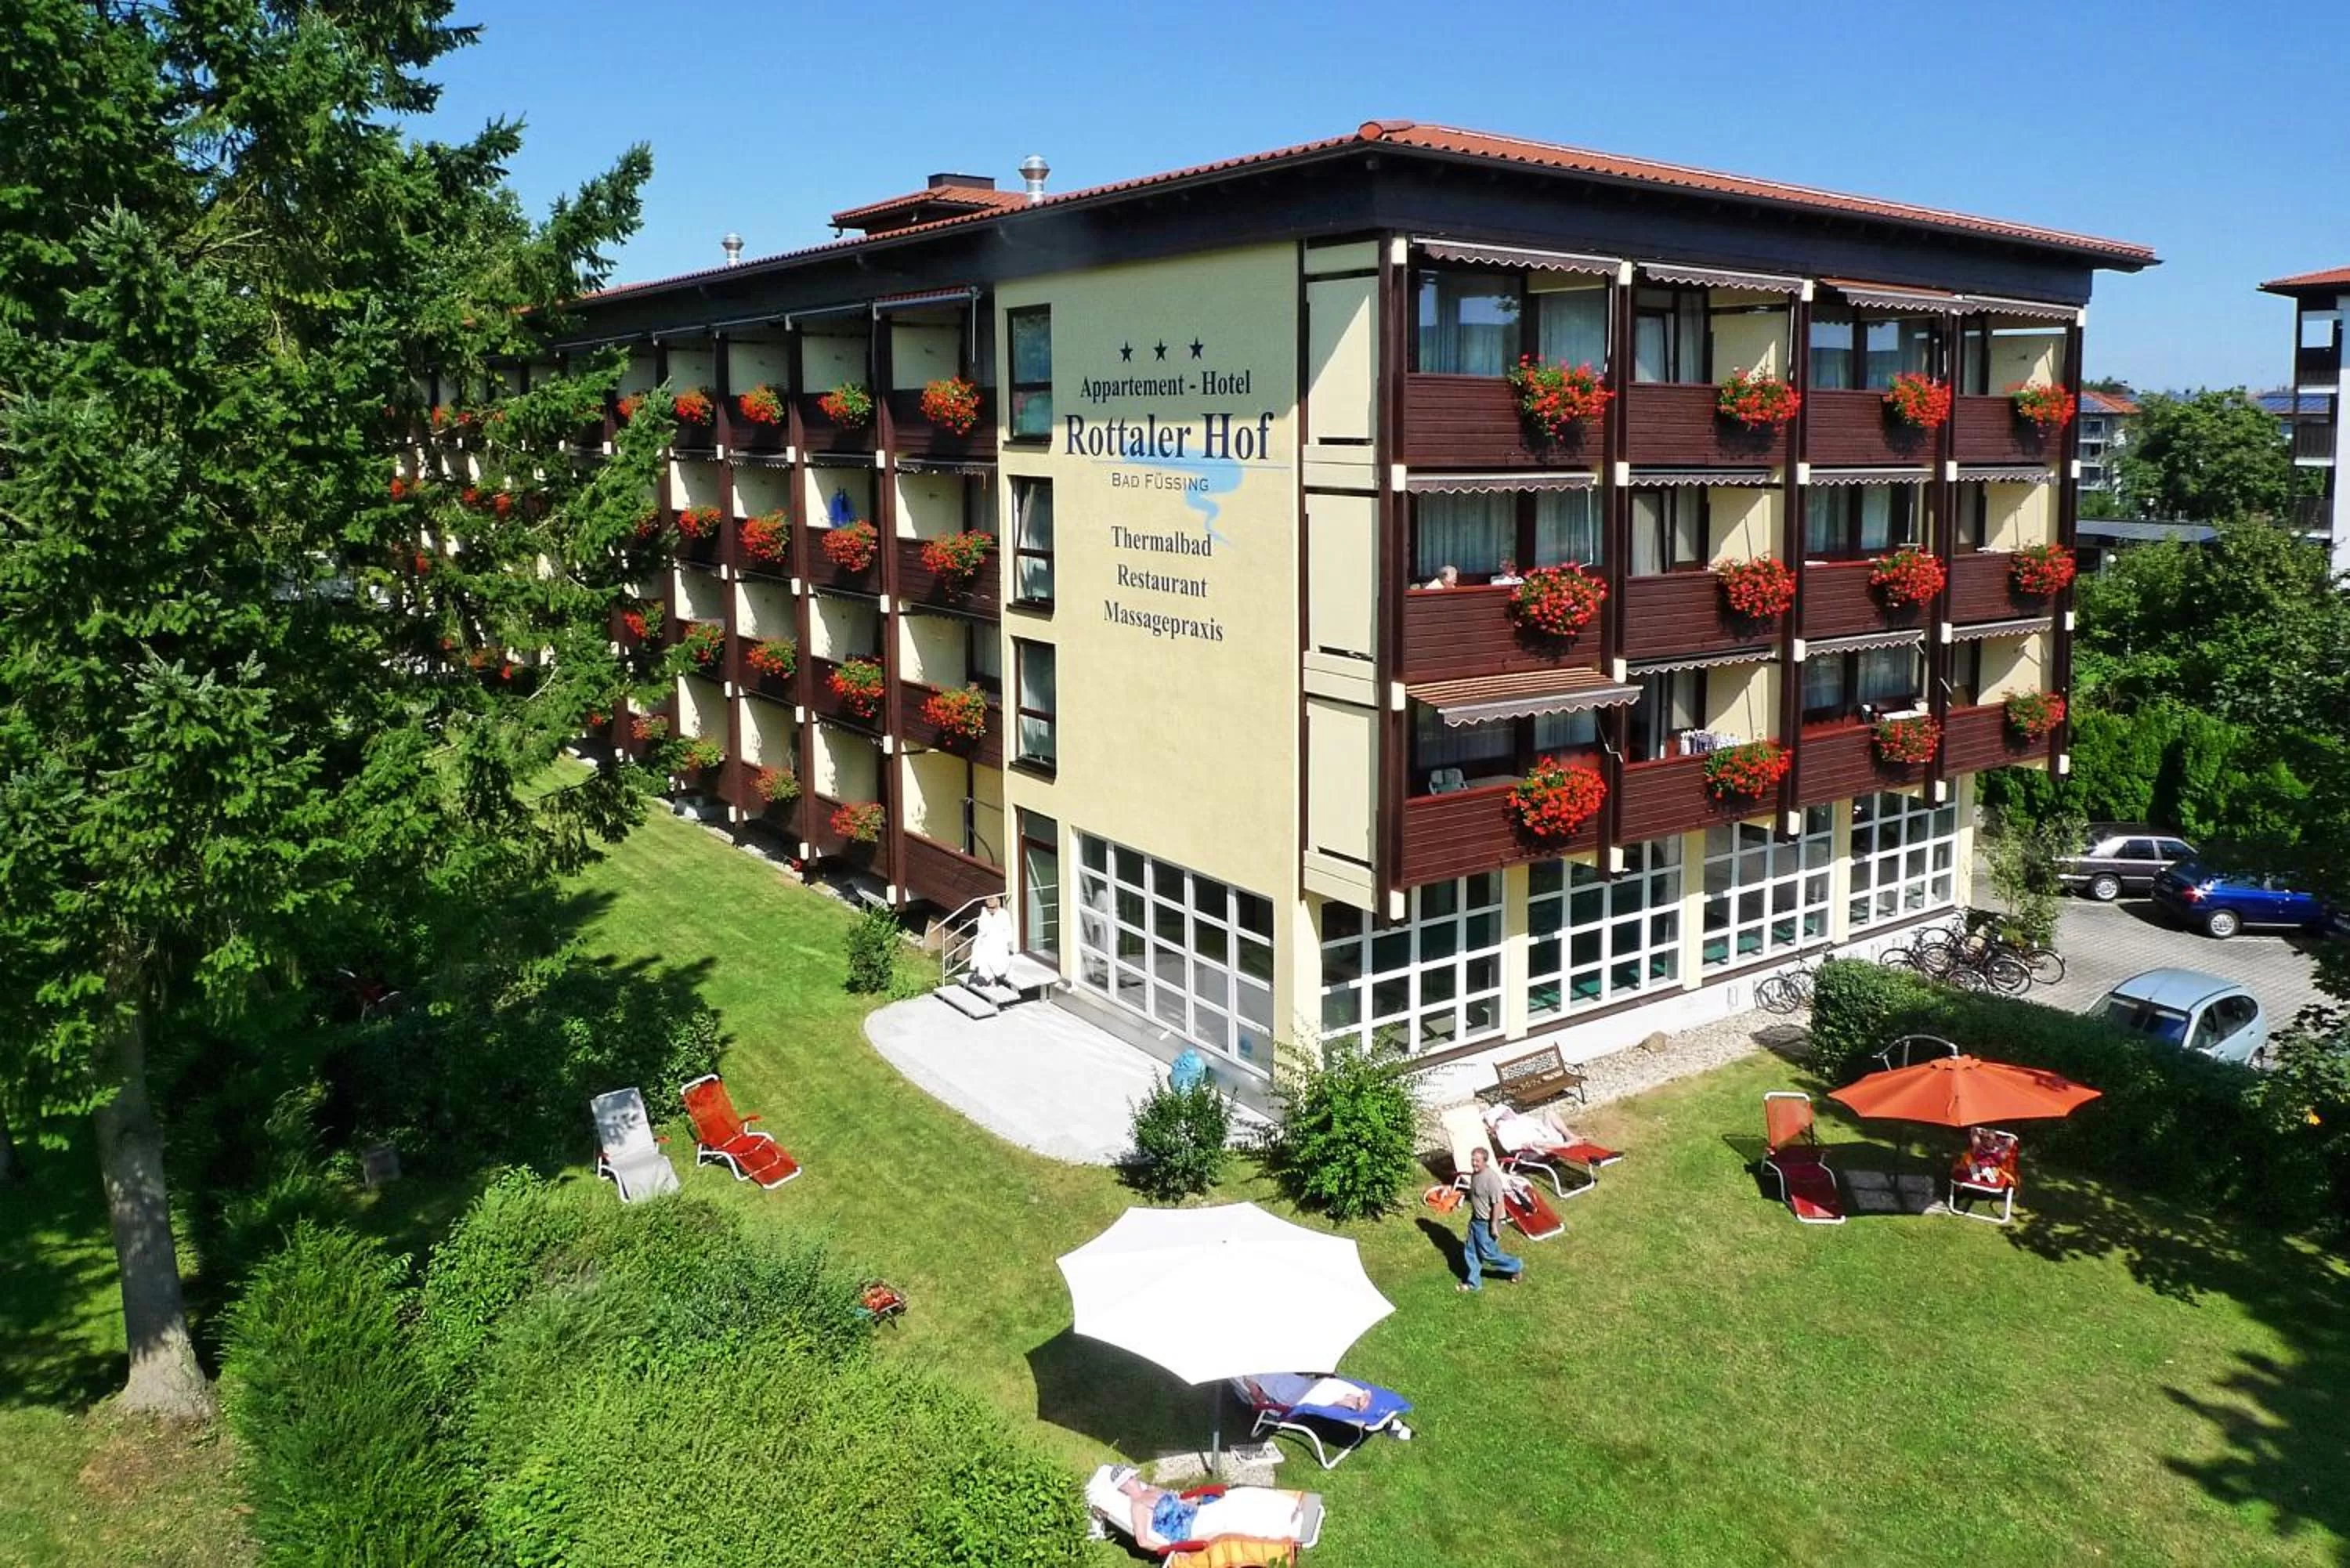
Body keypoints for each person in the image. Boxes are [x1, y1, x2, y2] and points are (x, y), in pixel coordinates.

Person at [1460, 1145, 1524, 1292]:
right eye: (1472, 1160)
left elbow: (1497, 1203)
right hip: (1476, 1220)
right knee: (1471, 1251)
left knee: (1489, 1254)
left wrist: (1493, 1225)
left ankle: (1516, 1265)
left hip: (1488, 1223)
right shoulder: (1475, 1175)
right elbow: (1476, 1194)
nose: (1474, 1163)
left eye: (1477, 1161)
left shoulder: (1492, 1179)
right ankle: (1473, 1283)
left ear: (1485, 1161)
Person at [1112, 1469, 1199, 1552]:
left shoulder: (1151, 1489)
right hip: (1189, 1531)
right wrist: (1172, 1549)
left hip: (1197, 1512)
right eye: (1131, 1478)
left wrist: (1192, 1501)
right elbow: (1142, 1541)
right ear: (1123, 1488)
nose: (1136, 1477)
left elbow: (1178, 1500)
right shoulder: (1138, 1507)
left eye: (1133, 1475)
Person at [970, 894, 1014, 988]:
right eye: (988, 907)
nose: (990, 909)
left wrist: (1008, 941)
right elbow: (981, 929)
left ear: (998, 906)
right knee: (986, 963)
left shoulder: (1004, 914)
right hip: (986, 943)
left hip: (999, 943)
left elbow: (1008, 928)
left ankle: (1000, 977)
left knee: (1000, 963)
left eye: (992, 907)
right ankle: (991, 981)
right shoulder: (984, 914)